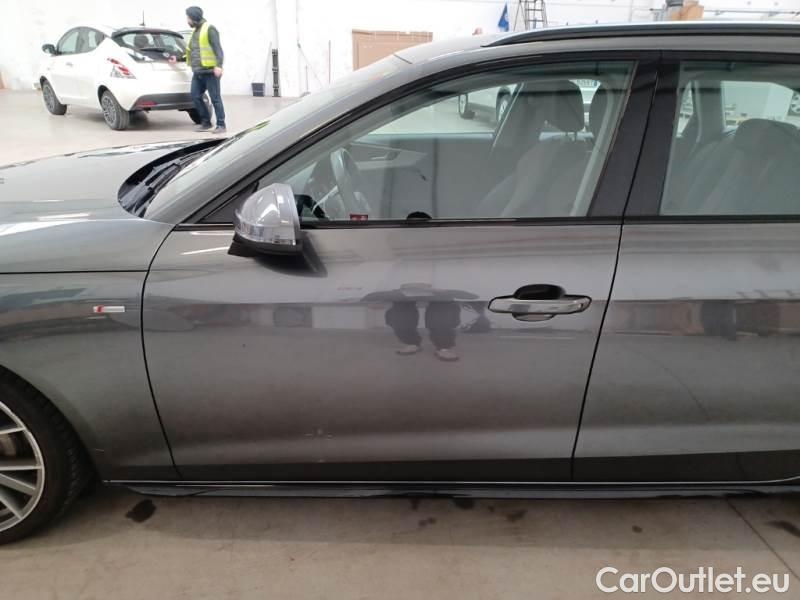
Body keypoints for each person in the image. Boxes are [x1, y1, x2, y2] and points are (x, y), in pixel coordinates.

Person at [172, 6, 226, 134]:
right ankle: (206, 122)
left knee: (215, 98)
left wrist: (219, 65)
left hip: (210, 72)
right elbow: (193, 52)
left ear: (193, 17)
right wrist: (178, 58)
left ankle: (221, 125)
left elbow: (218, 49)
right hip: (198, 72)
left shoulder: (209, 29)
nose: (187, 20)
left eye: (188, 18)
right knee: (195, 96)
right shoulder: (195, 32)